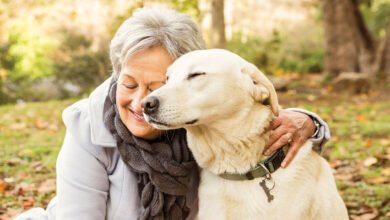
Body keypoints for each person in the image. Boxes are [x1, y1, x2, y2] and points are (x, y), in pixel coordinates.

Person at [15, 6, 330, 220]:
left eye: (157, 85)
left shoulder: (197, 119)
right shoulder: (87, 126)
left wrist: (310, 122)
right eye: (128, 83)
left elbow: (247, 105)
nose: (143, 102)